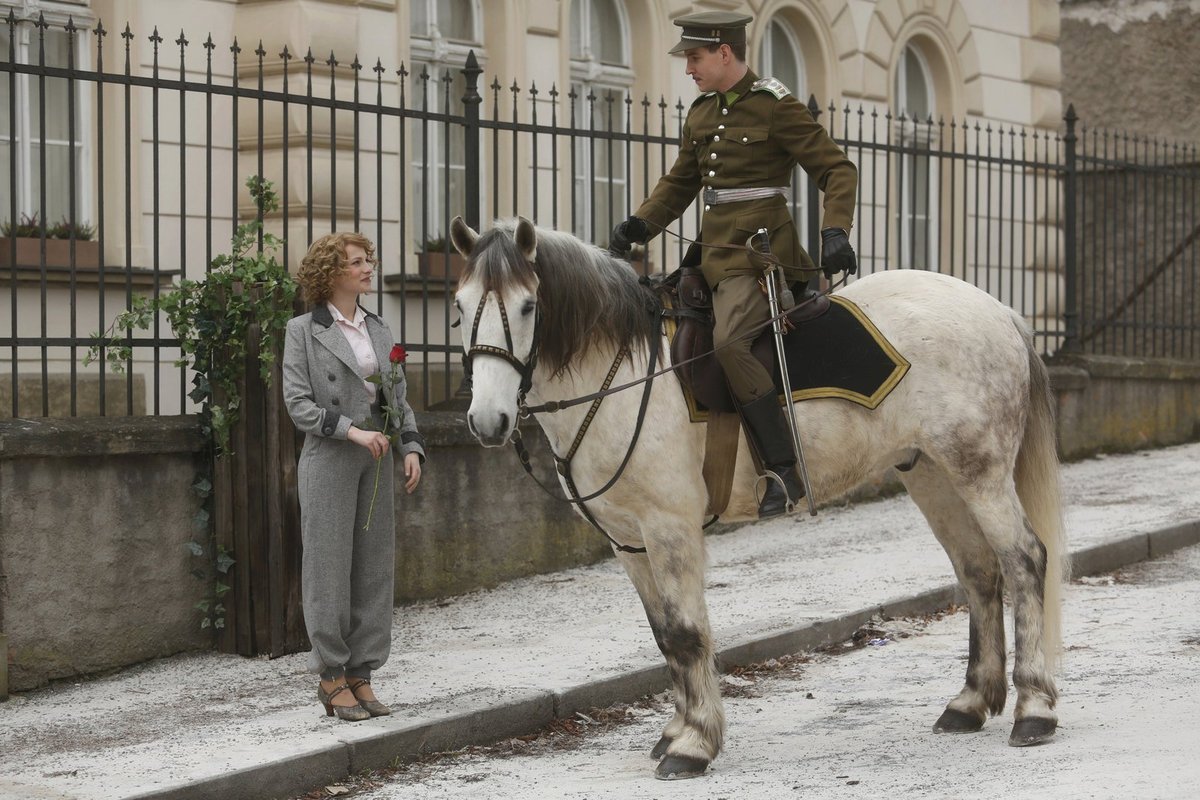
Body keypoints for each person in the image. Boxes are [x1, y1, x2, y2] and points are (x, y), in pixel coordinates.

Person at [611, 11, 859, 519]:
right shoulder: (701, 112)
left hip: (761, 253)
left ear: (725, 51)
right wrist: (641, 225)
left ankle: (783, 470)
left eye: (695, 58)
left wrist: (835, 228)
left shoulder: (775, 106)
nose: (688, 69)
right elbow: (681, 183)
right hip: (711, 250)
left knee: (729, 343)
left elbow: (836, 168)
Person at [283, 232, 425, 721]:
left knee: (373, 567)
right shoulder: (303, 330)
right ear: (332, 272)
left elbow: (397, 399)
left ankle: (363, 673)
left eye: (369, 260)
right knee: (327, 568)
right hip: (330, 458)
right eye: (358, 262)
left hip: (379, 457)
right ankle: (330, 677)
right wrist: (352, 433)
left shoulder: (380, 328)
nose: (369, 268)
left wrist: (411, 448)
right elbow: (298, 405)